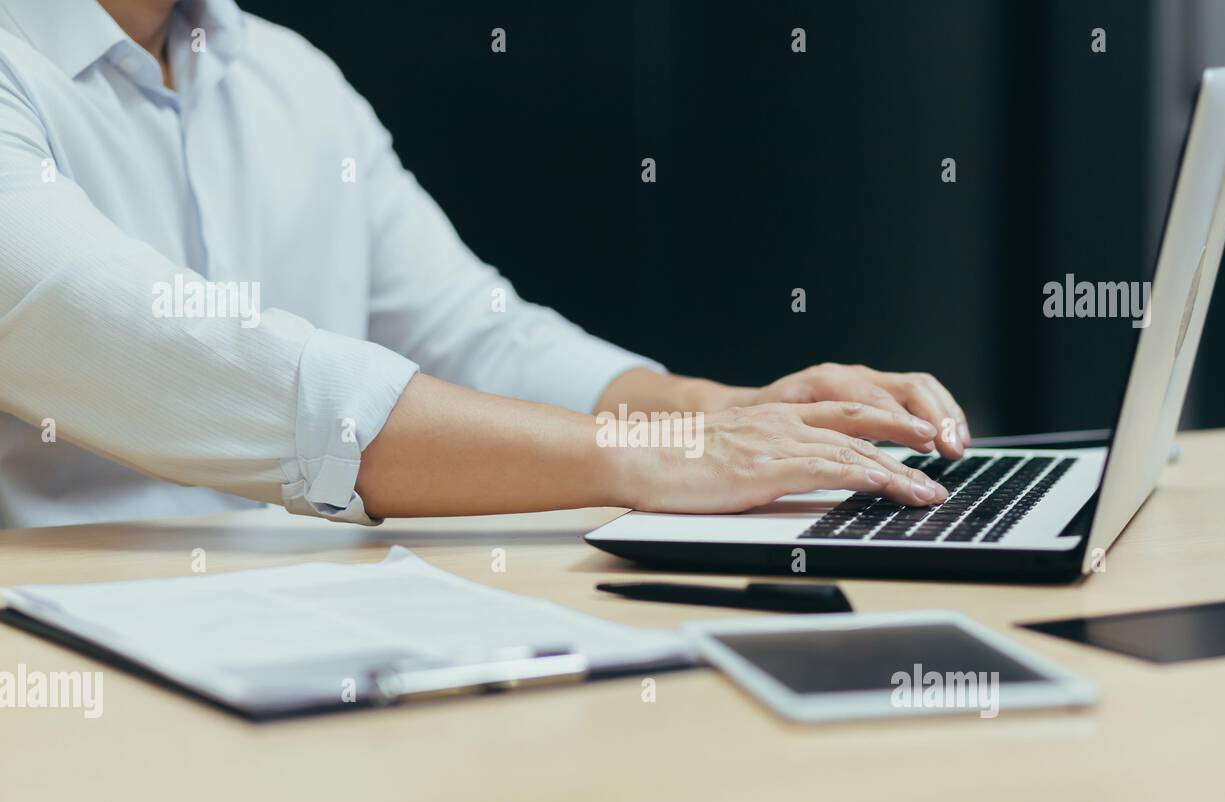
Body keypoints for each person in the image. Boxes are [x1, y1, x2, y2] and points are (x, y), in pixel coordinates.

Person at [0, 0, 969, 531]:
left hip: (309, 628)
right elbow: (191, 358)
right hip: (70, 676)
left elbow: (475, 336)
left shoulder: (288, 75)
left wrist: (720, 411)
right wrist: (650, 456)